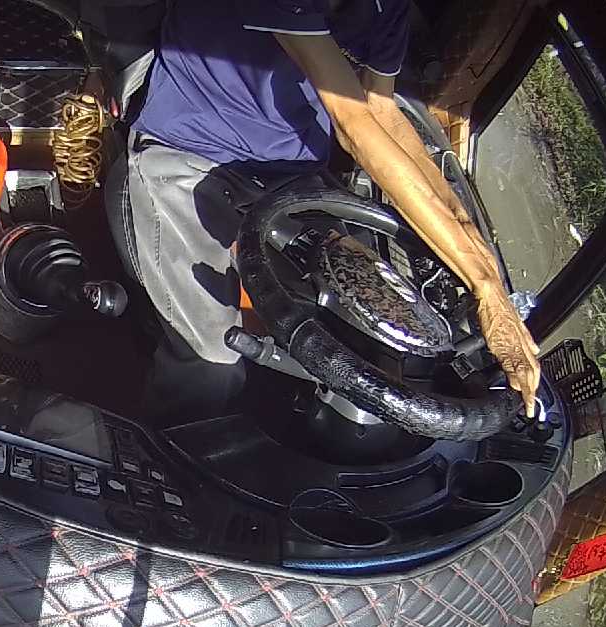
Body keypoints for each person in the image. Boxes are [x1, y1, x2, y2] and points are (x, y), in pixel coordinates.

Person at [123, 0, 541, 421]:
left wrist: (473, 248)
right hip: (190, 145)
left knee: (369, 342)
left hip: (292, 172)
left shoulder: (387, 8)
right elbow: (352, 123)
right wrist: (483, 284)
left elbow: (383, 111)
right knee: (212, 364)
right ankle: (166, 444)